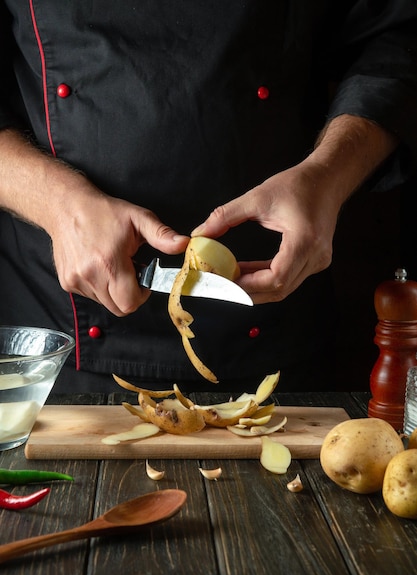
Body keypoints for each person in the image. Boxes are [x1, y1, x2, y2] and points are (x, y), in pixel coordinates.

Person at [0, 1, 416, 393]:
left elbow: (396, 38)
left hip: (276, 330)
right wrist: (58, 205)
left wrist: (326, 177)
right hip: (59, 348)